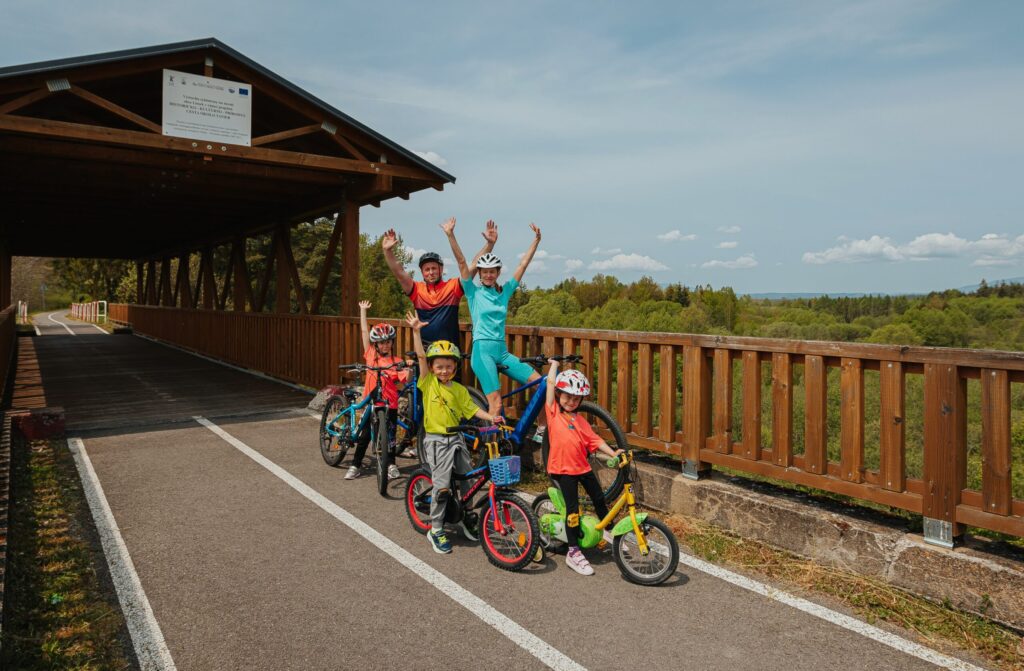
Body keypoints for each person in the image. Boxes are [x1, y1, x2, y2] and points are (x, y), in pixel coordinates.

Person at [405, 311, 502, 555]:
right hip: (436, 441)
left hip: (457, 440)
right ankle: (436, 528)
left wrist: (491, 417)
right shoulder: (428, 383)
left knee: (468, 479)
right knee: (442, 486)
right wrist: (417, 331)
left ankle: (466, 516)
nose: (444, 370)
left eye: (449, 366)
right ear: (432, 367)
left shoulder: (458, 389)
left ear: (455, 368)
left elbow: (472, 409)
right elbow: (420, 356)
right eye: (439, 366)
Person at [446, 220, 542, 420]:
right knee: (496, 404)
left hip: (502, 352)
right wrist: (450, 235)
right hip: (482, 353)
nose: (489, 275)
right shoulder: (473, 293)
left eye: (492, 271)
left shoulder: (504, 293)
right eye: (485, 272)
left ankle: (541, 430)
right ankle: (491, 448)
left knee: (540, 383)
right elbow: (463, 263)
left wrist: (536, 241)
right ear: (480, 274)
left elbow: (523, 265)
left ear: (498, 273)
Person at [544, 358, 623, 576]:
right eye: (567, 396)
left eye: (576, 398)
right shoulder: (553, 413)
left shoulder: (581, 421)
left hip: (582, 467)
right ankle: (573, 552)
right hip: (563, 470)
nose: (571, 401)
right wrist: (554, 366)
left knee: (599, 498)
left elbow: (595, 440)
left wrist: (613, 452)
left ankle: (608, 531)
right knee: (572, 512)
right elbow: (550, 384)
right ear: (560, 395)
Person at [381, 220, 498, 351]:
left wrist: (489, 244)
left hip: (450, 351)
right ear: (422, 272)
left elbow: (473, 266)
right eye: (427, 269)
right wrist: (387, 251)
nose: (431, 272)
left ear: (441, 270)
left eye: (434, 268)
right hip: (424, 351)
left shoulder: (453, 287)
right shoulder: (416, 290)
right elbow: (399, 272)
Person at [345, 300, 409, 481]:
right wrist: (363, 311)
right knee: (365, 435)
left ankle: (391, 464)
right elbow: (364, 332)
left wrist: (410, 369)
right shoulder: (371, 356)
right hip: (371, 401)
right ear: (376, 345)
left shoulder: (397, 361)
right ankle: (355, 464)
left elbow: (406, 378)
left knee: (390, 436)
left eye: (388, 342)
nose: (385, 345)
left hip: (391, 403)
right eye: (381, 343)